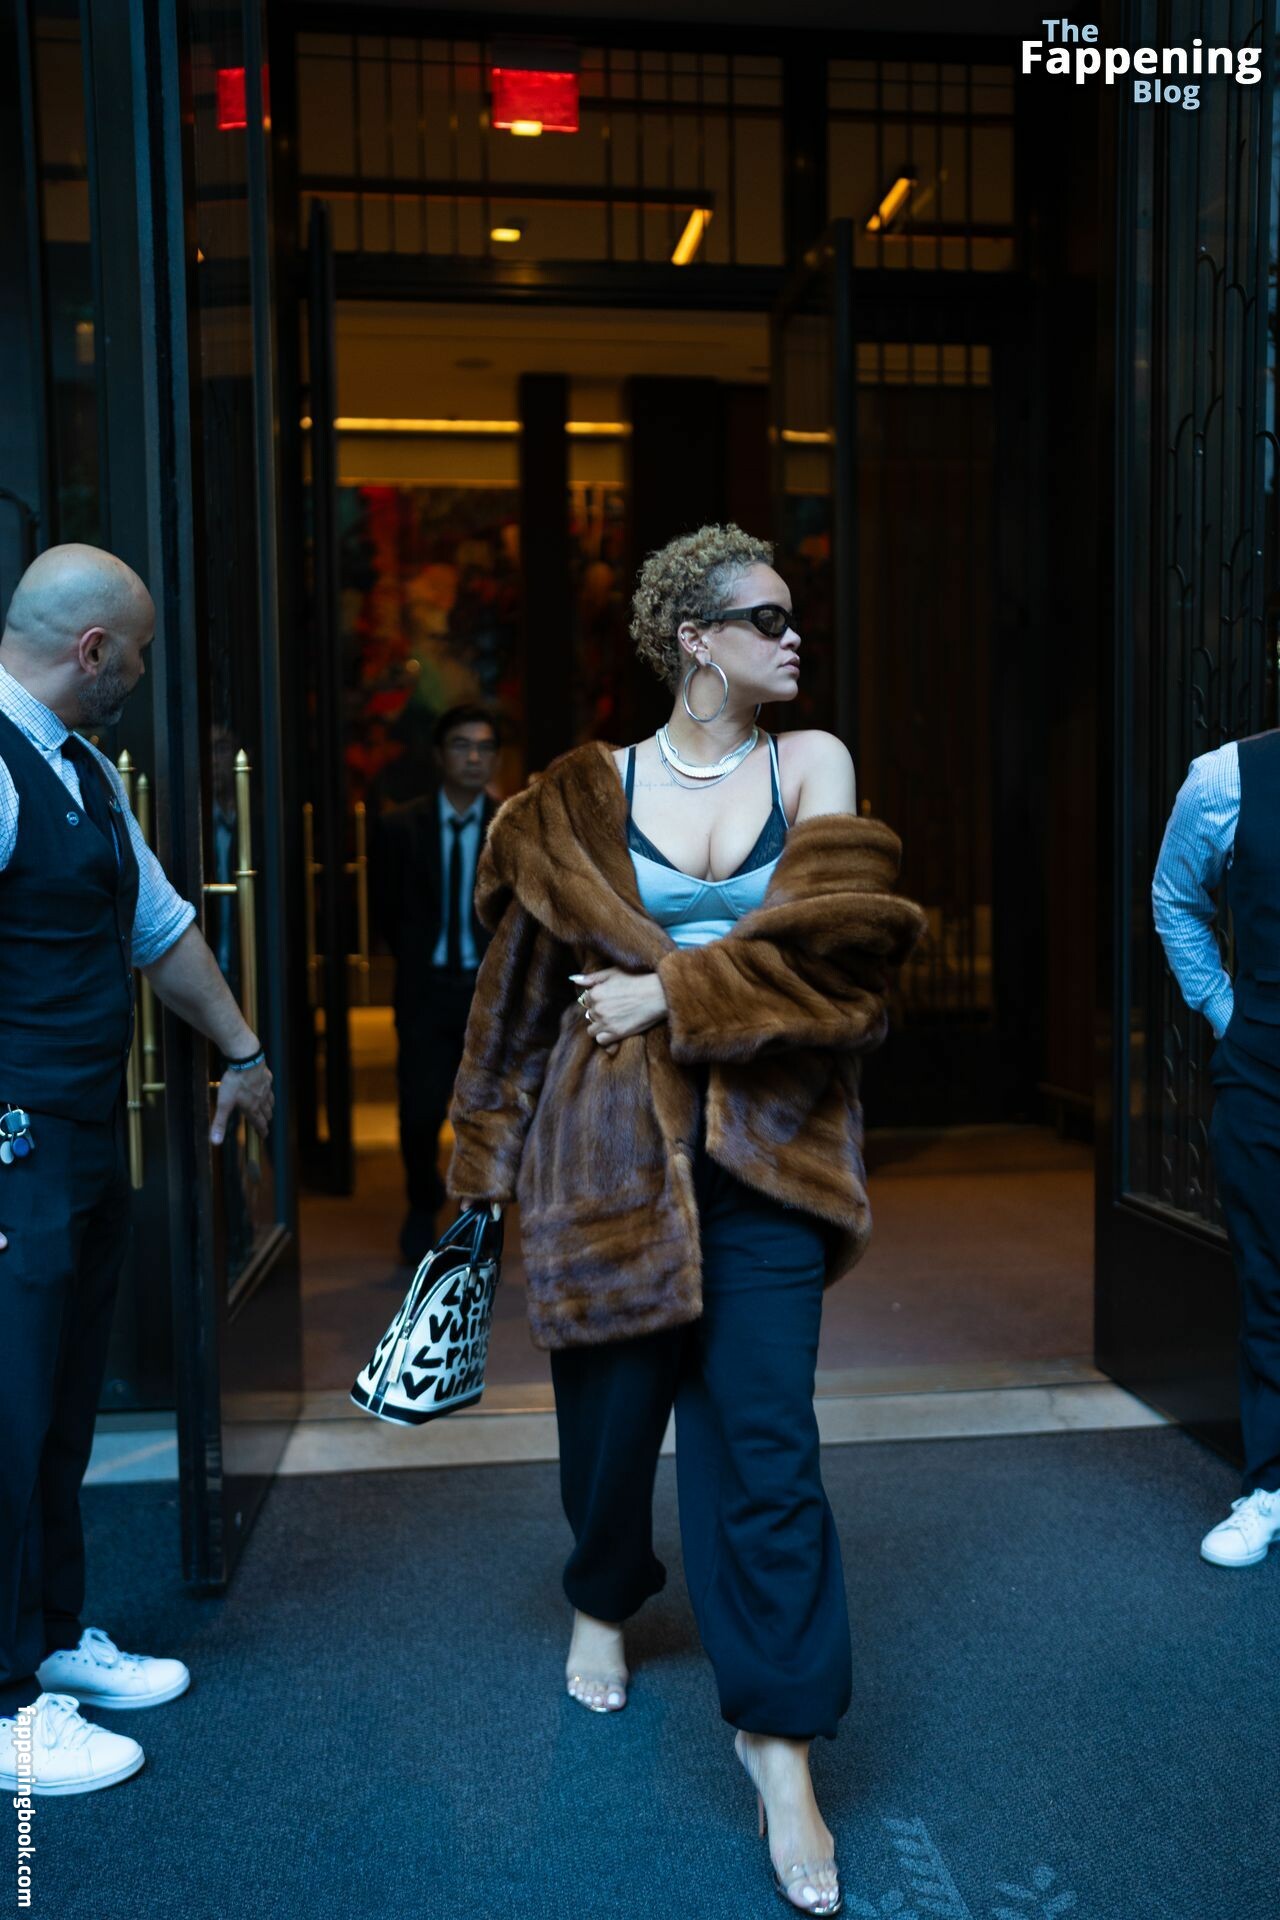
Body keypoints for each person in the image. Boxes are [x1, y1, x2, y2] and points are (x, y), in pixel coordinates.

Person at [445, 524, 925, 1915]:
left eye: (793, 615)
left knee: (766, 1449)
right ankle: (603, 1590)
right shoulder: (572, 797)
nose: (793, 635)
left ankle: (782, 1753)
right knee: (610, 1434)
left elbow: (846, 970)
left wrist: (669, 990)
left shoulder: (811, 765)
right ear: (693, 640)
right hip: (601, 1157)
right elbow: (516, 1001)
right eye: (765, 618)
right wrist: (478, 1172)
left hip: (770, 1154)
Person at [0, 545, 274, 1795]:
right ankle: (10, 1706)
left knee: (58, 1406)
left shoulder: (86, 770)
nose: (146, 673)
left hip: (79, 1140)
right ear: (93, 650)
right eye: (142, 652)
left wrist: (244, 1050)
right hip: (13, 1150)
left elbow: (157, 928)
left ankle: (49, 1638)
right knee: (7, 1416)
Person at [1153, 729, 1280, 1568]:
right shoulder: (1228, 777)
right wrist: (1229, 1015)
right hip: (1267, 1074)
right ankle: (1271, 1487)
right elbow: (1175, 899)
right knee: (1272, 1285)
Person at [370, 704, 500, 1266]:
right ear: (440, 755)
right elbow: (385, 908)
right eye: (462, 745)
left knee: (485, 1112)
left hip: (486, 995)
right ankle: (421, 1204)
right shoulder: (400, 826)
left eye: (485, 748)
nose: (474, 757)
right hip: (425, 990)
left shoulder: (509, 825)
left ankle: (477, 1220)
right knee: (420, 1110)